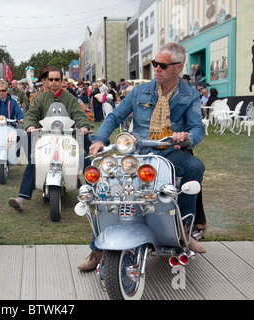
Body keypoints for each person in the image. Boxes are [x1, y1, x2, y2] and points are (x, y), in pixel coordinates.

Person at [79, 43, 206, 271]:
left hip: (169, 154)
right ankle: (97, 250)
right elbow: (115, 116)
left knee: (195, 167)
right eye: (155, 64)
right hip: (136, 155)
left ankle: (183, 229)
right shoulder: (140, 91)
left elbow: (198, 128)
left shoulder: (190, 95)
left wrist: (186, 137)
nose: (156, 68)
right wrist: (100, 139)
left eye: (163, 65)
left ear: (178, 67)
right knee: (108, 191)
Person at [8, 67, 91, 212]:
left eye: (56, 79)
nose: (53, 82)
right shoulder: (40, 98)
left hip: (67, 135)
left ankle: (92, 192)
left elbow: (79, 113)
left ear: (61, 81)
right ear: (46, 81)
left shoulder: (70, 98)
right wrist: (30, 126)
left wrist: (83, 126)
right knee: (34, 160)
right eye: (51, 79)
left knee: (83, 157)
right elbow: (32, 113)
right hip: (44, 135)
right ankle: (21, 198)